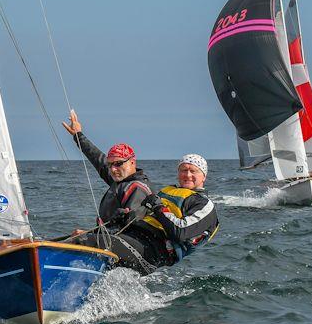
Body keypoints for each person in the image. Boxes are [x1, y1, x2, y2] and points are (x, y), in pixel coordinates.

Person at [62, 110, 159, 274]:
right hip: (116, 242)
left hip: (136, 251)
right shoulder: (121, 180)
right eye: (110, 165)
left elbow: (127, 226)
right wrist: (78, 135)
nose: (113, 169)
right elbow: (98, 159)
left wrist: (90, 235)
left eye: (119, 164)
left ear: (132, 162)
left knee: (80, 240)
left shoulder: (137, 188)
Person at [141, 154, 220, 263]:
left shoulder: (204, 204)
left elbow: (180, 232)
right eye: (183, 170)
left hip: (154, 248)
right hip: (138, 232)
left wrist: (159, 208)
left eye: (193, 171)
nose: (187, 175)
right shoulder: (168, 190)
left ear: (204, 176)